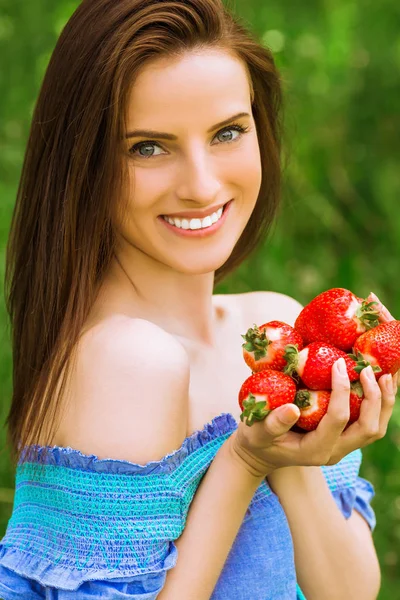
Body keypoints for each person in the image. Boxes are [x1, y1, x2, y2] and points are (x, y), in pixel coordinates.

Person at [0, 0, 397, 598]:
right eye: (148, 147)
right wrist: (244, 461)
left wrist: (292, 456)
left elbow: (348, 591)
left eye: (228, 132)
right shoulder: (125, 362)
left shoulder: (278, 325)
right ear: (83, 165)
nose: (202, 184)